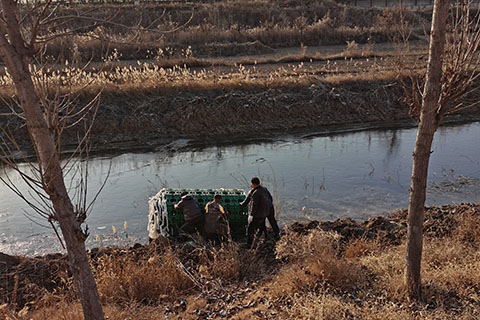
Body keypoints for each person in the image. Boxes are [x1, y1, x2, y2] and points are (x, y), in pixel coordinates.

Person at [241, 177, 280, 241]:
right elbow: (271, 198)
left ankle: (250, 242)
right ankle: (276, 234)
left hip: (262, 212)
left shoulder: (254, 192)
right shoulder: (265, 189)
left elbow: (253, 205)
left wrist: (251, 215)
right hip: (270, 208)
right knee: (272, 222)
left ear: (253, 184)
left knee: (251, 227)